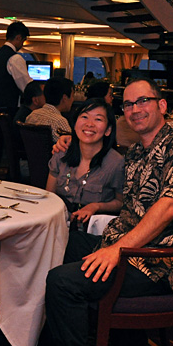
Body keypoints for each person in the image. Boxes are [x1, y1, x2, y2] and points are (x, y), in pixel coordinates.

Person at [34, 77, 173, 346]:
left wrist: (116, 250)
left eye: (143, 101)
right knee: (54, 246)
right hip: (125, 245)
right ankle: (53, 340)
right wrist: (70, 139)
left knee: (62, 281)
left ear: (161, 105)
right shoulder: (140, 151)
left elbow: (170, 207)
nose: (135, 109)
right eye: (128, 104)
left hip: (156, 261)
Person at [47, 99, 124, 259]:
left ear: (108, 130)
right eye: (84, 117)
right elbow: (49, 195)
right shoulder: (62, 153)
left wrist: (95, 206)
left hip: (89, 238)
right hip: (57, 227)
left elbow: (121, 202)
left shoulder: (116, 163)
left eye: (98, 119)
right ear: (75, 124)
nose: (89, 124)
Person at [0, 21, 34, 177]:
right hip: (6, 110)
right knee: (8, 148)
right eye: (23, 40)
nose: (22, 44)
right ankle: (11, 178)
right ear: (18, 37)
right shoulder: (15, 58)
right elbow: (26, 85)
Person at [25, 76, 73, 143]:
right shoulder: (59, 121)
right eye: (72, 96)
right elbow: (70, 146)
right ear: (64, 98)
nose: (73, 100)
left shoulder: (31, 115)